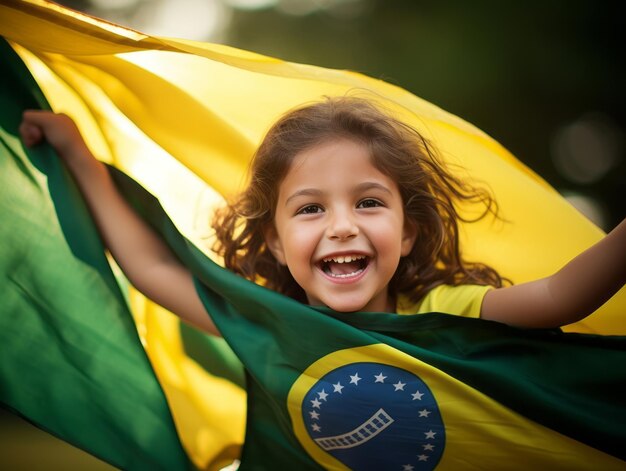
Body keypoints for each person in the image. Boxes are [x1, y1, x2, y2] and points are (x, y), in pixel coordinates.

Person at [18, 96, 626, 338]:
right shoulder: (268, 326)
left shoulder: (449, 313)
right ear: (278, 244)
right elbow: (149, 265)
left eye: (368, 202)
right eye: (311, 209)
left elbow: (560, 298)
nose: (341, 225)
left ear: (408, 231)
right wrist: (76, 153)